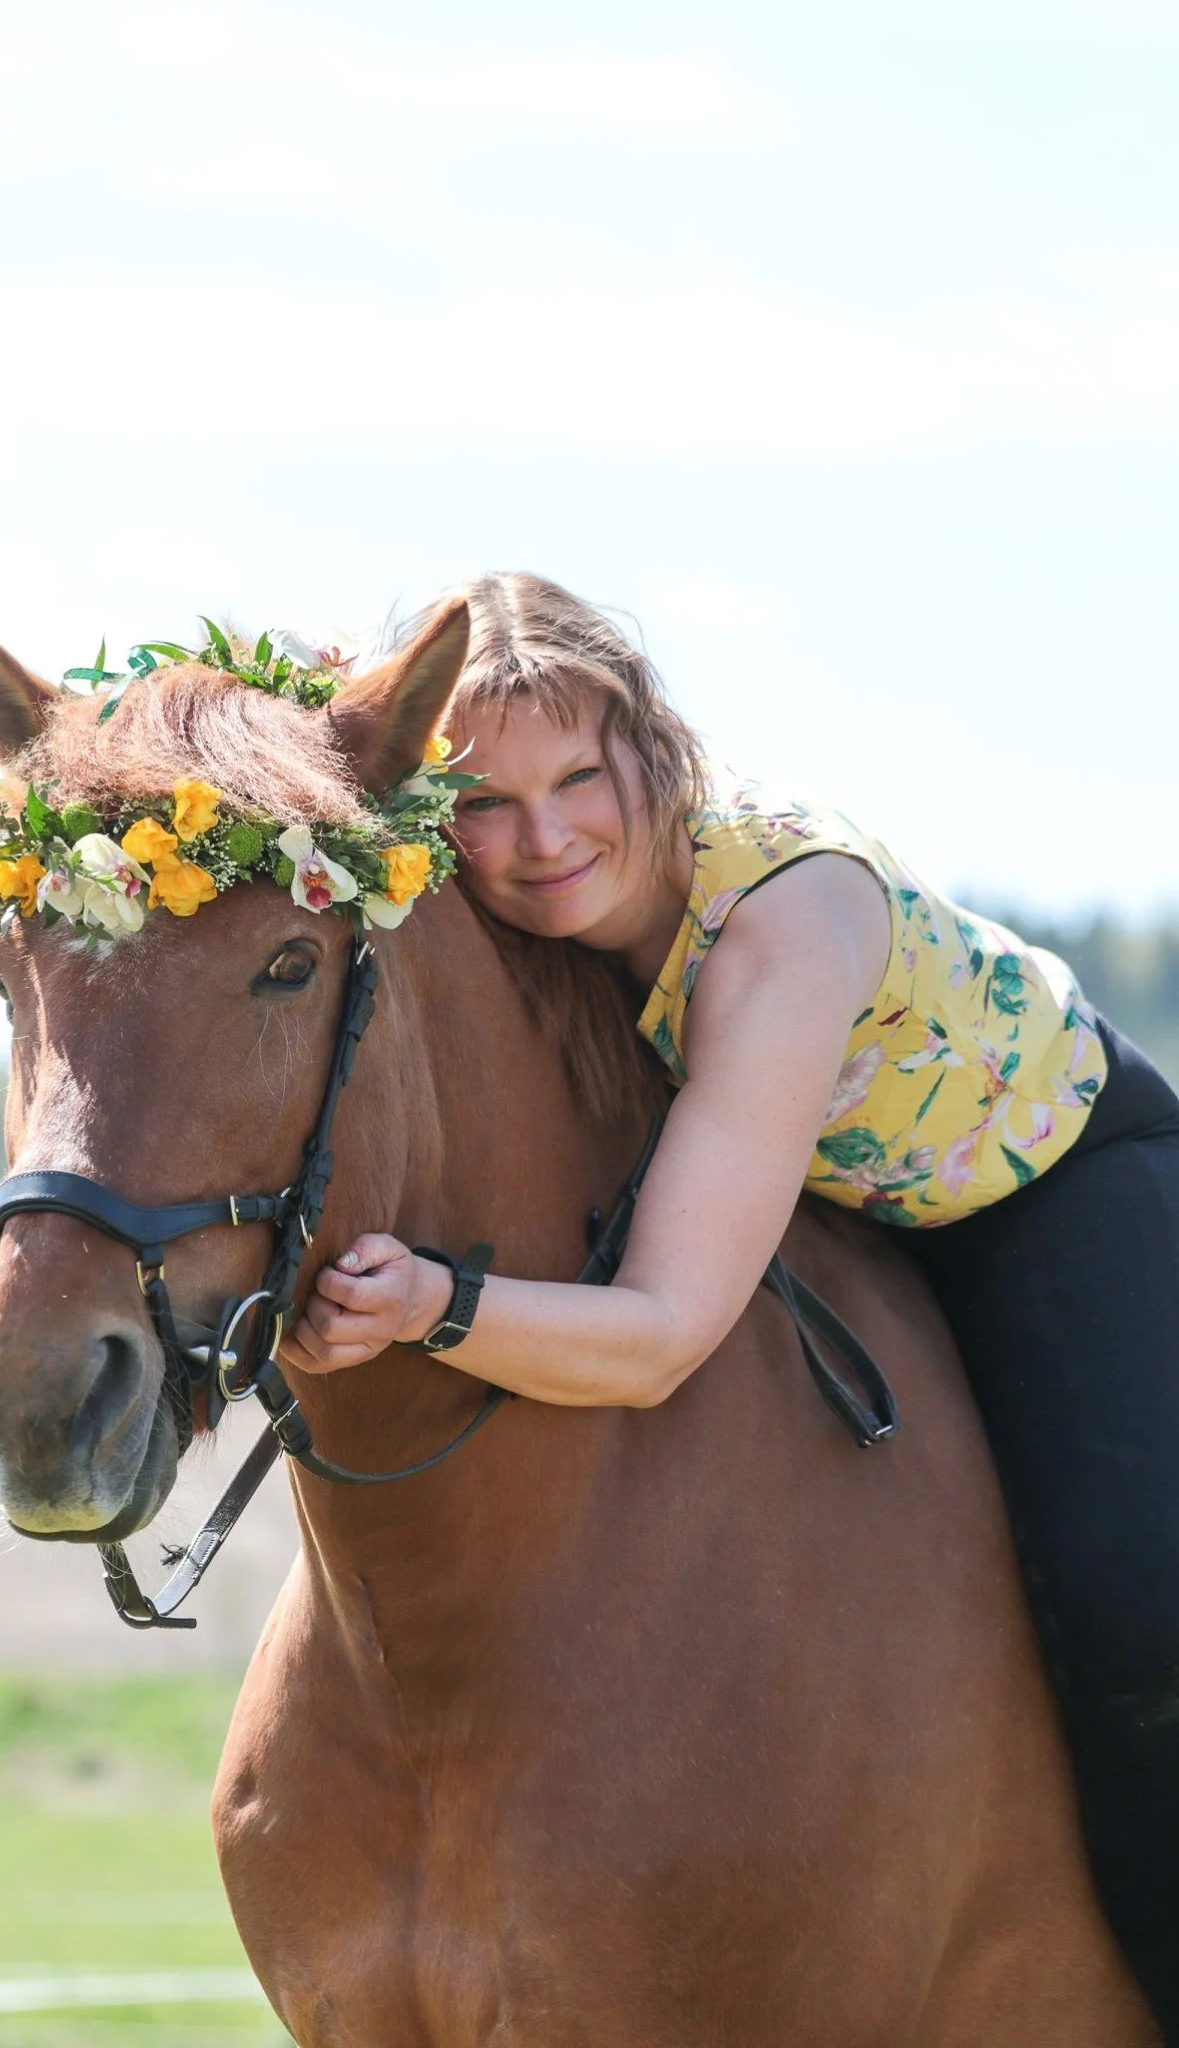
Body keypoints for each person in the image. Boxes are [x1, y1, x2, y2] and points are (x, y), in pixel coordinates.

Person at [279, 571, 1179, 2035]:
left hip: (1047, 1183)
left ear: (652, 742)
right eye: (486, 803)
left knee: (1142, 1598)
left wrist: (436, 1305)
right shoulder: (513, 904)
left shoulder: (781, 923)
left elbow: (653, 1339)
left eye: (581, 779)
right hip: (826, 1197)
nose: (544, 840)